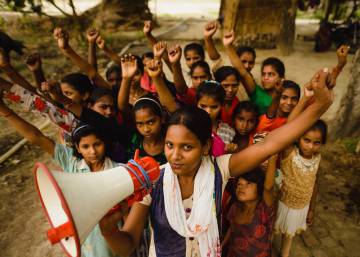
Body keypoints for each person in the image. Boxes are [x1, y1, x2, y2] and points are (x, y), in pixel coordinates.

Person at [99, 68, 333, 257]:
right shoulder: (152, 181)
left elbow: (269, 145)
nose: (175, 155)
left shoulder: (219, 168)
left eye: (187, 147)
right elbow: (127, 245)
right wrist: (109, 231)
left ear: (206, 148)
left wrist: (320, 105)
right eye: (170, 145)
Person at [0, 93, 123, 257]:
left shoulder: (118, 171)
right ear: (77, 148)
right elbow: (36, 137)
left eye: (97, 144)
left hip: (111, 244)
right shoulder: (71, 162)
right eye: (85, 146)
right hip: (85, 245)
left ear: (105, 143)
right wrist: (5, 111)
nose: (92, 151)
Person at [274, 120, 327, 257]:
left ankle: (284, 253)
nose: (310, 146)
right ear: (298, 137)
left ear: (322, 143)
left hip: (301, 207)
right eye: (307, 140)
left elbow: (314, 184)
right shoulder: (289, 152)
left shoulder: (317, 159)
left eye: (317, 142)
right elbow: (289, 127)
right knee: (271, 232)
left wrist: (312, 209)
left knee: (289, 236)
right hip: (282, 203)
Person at [221, 155, 277, 257]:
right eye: (239, 184)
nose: (242, 187)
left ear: (259, 187)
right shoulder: (234, 208)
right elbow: (231, 229)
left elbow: (268, 187)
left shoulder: (264, 210)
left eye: (248, 183)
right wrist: (221, 245)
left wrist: (273, 157)